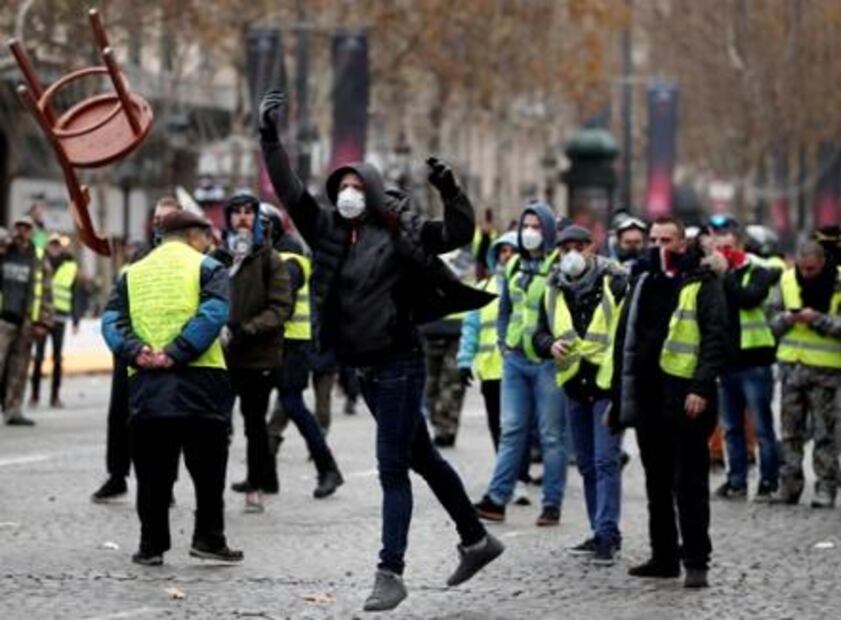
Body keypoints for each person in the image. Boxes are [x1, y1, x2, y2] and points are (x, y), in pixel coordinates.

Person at [260, 89, 503, 613]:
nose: (347, 193)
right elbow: (290, 191)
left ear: (370, 191)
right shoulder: (327, 231)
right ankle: (476, 539)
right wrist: (270, 138)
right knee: (423, 456)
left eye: (355, 186)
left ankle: (390, 572)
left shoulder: (400, 231)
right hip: (365, 370)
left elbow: (457, 233)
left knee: (392, 468)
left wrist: (450, 191)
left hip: (399, 361)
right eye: (341, 187)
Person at [101, 210, 242, 566]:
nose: (208, 242)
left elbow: (112, 321)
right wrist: (176, 353)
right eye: (205, 235)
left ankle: (151, 545)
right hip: (201, 383)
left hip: (146, 384)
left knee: (152, 473)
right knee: (208, 470)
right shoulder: (208, 267)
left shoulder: (132, 273)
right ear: (192, 235)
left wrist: (137, 352)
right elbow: (214, 313)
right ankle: (208, 538)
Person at [609, 216, 728, 588]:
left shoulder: (702, 281)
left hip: (687, 398)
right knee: (656, 483)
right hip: (649, 397)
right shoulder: (643, 280)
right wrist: (618, 397)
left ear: (682, 243)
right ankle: (663, 557)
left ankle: (696, 561)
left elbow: (715, 338)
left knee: (689, 484)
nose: (659, 247)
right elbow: (625, 342)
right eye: (654, 240)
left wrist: (700, 388)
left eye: (666, 240)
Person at [534, 225, 628, 564]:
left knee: (605, 461)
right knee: (587, 463)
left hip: (606, 385)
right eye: (565, 248)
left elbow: (626, 334)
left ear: (592, 247)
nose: (572, 254)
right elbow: (538, 334)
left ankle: (606, 533)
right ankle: (598, 529)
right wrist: (549, 344)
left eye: (579, 246)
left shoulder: (616, 283)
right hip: (574, 385)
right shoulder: (553, 288)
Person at [473, 202, 568, 526]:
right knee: (512, 430)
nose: (529, 232)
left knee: (551, 435)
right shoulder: (513, 264)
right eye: (525, 226)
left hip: (547, 363)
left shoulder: (558, 266)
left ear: (548, 231)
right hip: (515, 361)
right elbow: (505, 309)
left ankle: (551, 504)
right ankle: (497, 499)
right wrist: (503, 342)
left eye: (536, 227)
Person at [92, 197, 183, 502]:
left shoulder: (189, 257)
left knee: (164, 420)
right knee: (120, 414)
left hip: (168, 350)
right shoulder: (140, 256)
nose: (160, 225)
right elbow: (118, 304)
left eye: (166, 219)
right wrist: (127, 344)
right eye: (157, 219)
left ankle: (165, 484)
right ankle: (117, 475)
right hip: (132, 349)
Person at [252, 202, 344, 499]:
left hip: (291, 345)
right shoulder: (268, 256)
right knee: (258, 408)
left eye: (261, 226)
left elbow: (279, 306)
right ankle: (264, 476)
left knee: (293, 405)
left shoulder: (289, 259)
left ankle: (328, 469)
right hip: (275, 344)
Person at [213, 193, 292, 514]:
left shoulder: (269, 258)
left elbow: (280, 307)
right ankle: (211, 489)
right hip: (221, 356)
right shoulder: (218, 257)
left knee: (254, 424)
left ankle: (256, 485)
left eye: (249, 211)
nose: (243, 217)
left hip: (258, 356)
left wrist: (248, 329)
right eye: (237, 212)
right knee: (216, 425)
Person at [706, 219, 779, 501]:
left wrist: (726, 274)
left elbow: (748, 298)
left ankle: (768, 482)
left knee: (762, 428)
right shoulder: (714, 274)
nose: (724, 253)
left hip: (755, 363)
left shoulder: (759, 272)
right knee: (731, 428)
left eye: (728, 247)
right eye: (720, 248)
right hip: (727, 364)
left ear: (740, 245)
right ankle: (736, 482)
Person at [769, 241, 841, 507]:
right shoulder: (787, 279)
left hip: (826, 372)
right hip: (791, 369)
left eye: (812, 269)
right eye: (802, 268)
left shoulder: (838, 282)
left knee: (825, 435)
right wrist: (788, 319)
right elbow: (771, 321)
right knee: (790, 433)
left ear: (823, 262)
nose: (806, 273)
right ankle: (789, 488)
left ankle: (826, 489)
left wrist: (818, 319)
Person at [0, 217, 52, 426]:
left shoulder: (38, 258)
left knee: (19, 369)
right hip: (2, 320)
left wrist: (44, 322)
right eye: (19, 227)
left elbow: (46, 291)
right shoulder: (4, 251)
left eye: (27, 228)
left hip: (26, 322)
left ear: (32, 232)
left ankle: (13, 411)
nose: (22, 231)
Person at [421, 247, 473, 447]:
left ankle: (446, 428)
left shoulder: (464, 256)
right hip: (429, 329)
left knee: (452, 383)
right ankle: (437, 421)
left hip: (457, 330)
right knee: (430, 385)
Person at [31, 234, 79, 408]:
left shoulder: (71, 266)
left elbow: (75, 293)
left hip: (60, 317)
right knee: (38, 357)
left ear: (61, 247)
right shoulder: (39, 262)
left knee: (57, 358)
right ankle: (34, 396)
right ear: (48, 246)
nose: (55, 248)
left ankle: (55, 396)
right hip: (42, 317)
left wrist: (76, 319)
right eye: (52, 244)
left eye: (57, 245)